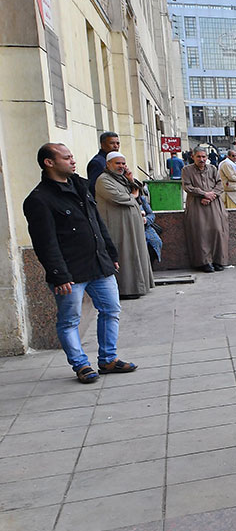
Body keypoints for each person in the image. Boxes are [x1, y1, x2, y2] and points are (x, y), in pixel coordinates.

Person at [24, 143, 138, 384]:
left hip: (99, 264)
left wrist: (110, 253)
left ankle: (108, 359)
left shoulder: (80, 185)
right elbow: (45, 243)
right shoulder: (39, 199)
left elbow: (96, 222)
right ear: (49, 163)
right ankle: (81, 365)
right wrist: (59, 274)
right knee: (69, 321)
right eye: (66, 158)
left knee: (111, 310)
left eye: (72, 156)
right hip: (70, 271)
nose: (73, 161)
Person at [93, 152, 154, 298]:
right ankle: (127, 290)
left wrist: (131, 179)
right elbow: (119, 198)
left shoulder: (122, 179)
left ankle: (139, 286)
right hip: (118, 226)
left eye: (122, 163)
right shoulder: (103, 180)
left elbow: (141, 195)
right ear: (108, 164)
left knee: (137, 253)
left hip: (133, 225)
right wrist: (133, 195)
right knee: (125, 255)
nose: (121, 166)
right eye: (117, 163)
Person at [181, 148, 230, 273]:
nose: (201, 159)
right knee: (200, 233)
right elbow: (187, 186)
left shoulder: (213, 169)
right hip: (197, 205)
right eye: (198, 157)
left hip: (214, 204)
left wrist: (210, 196)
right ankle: (204, 262)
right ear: (193, 157)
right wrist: (203, 194)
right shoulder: (187, 170)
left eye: (203, 157)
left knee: (218, 230)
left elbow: (220, 185)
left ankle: (218, 260)